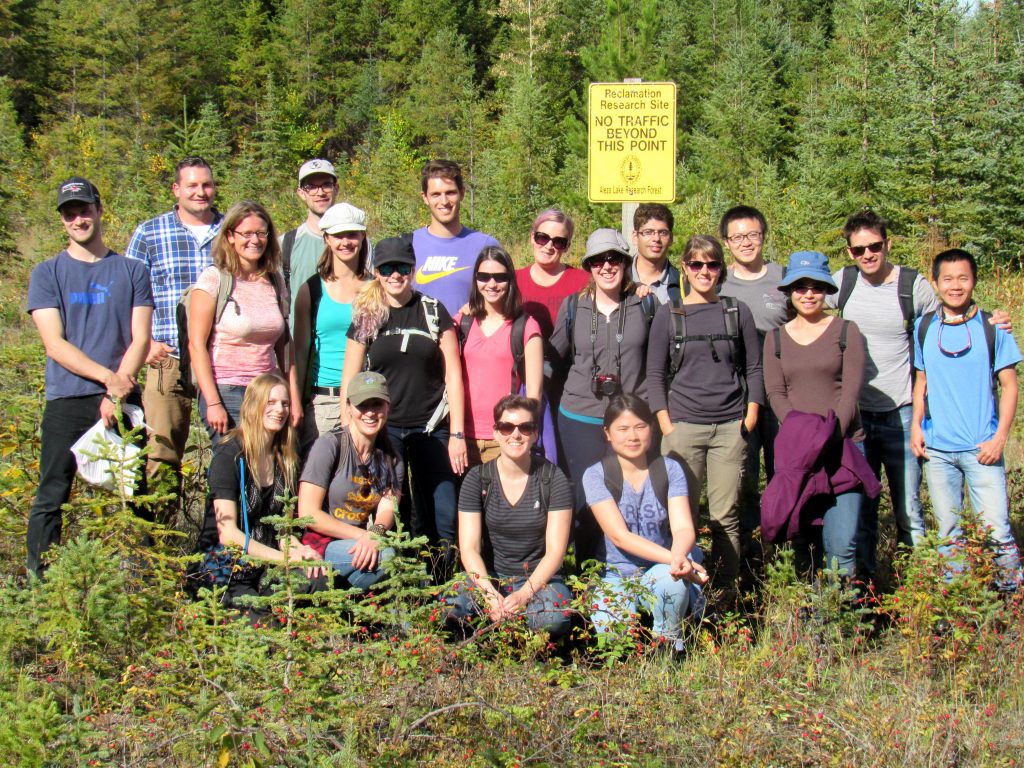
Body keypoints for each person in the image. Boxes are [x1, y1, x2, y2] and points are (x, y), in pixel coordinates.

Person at [25, 177, 154, 578]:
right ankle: (40, 587)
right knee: (52, 495)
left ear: (100, 210)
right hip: (68, 398)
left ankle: (144, 583)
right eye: (69, 213)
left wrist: (120, 389)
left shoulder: (132, 270)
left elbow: (141, 337)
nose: (78, 218)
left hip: (123, 398)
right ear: (62, 221)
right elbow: (54, 344)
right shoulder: (47, 274)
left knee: (134, 494)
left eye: (84, 209)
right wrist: (107, 379)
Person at [340, 236, 466, 581]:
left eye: (402, 267)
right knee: (395, 508)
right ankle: (402, 586)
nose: (395, 275)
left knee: (443, 509)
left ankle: (441, 584)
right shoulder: (368, 316)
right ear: (376, 272)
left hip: (432, 425)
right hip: (383, 429)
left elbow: (454, 375)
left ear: (414, 269)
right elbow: (349, 378)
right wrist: (348, 432)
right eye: (387, 268)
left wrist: (457, 433)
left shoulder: (432, 310)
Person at [647, 234, 763, 600]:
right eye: (696, 264)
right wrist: (666, 424)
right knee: (681, 517)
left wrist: (750, 417)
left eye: (712, 264)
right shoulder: (670, 313)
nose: (704, 272)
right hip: (683, 428)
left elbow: (754, 368)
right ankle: (685, 591)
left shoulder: (736, 311)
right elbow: (655, 374)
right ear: (685, 268)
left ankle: (724, 594)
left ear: (721, 268)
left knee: (725, 515)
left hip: (730, 427)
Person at [911, 249, 1022, 592]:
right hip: (938, 450)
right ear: (935, 283)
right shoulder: (924, 326)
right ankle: (953, 602)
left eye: (963, 278)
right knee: (947, 533)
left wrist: (999, 439)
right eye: (948, 279)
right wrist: (916, 426)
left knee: (997, 530)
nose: (955, 286)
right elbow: (921, 381)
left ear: (974, 282)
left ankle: (1012, 606)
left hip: (981, 448)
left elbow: (1009, 385)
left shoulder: (993, 328)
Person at [550, 228, 656, 561]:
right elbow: (552, 356)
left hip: (632, 418)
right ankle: (589, 578)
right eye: (598, 260)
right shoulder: (573, 306)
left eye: (613, 259)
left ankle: (633, 574)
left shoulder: (646, 303)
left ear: (625, 263)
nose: (606, 266)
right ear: (589, 266)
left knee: (633, 496)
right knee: (585, 498)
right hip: (580, 415)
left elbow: (662, 361)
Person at [763, 251, 868, 578]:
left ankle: (840, 622)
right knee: (803, 542)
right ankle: (808, 625)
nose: (808, 294)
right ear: (789, 291)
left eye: (816, 287)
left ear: (826, 290)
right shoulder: (775, 338)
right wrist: (804, 437)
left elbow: (850, 390)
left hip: (843, 449)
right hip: (798, 456)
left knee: (841, 544)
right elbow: (775, 393)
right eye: (800, 286)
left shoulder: (846, 331)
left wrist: (828, 435)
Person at [193, 373, 324, 617]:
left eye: (285, 403)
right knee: (263, 628)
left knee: (317, 578)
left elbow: (282, 530)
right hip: (229, 571)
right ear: (253, 404)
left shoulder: (284, 458)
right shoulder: (229, 455)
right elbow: (228, 534)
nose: (280, 410)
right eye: (271, 402)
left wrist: (300, 552)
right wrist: (284, 559)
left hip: (266, 567)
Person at [125, 156, 222, 486]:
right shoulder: (150, 233)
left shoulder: (231, 231)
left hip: (220, 360)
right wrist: (145, 344)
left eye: (206, 184)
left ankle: (223, 534)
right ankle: (162, 536)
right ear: (176, 189)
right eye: (192, 185)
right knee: (162, 453)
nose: (200, 192)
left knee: (228, 449)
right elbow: (128, 294)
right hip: (168, 360)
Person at [583, 394, 707, 651]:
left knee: (672, 579)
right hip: (615, 574)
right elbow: (620, 537)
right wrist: (677, 559)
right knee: (616, 641)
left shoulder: (669, 468)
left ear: (652, 428)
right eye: (623, 429)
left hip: (660, 568)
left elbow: (683, 528)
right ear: (607, 433)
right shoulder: (596, 475)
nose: (633, 436)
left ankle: (668, 644)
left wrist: (679, 558)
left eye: (640, 427)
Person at [454, 395, 573, 636]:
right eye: (507, 427)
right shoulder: (477, 479)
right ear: (496, 432)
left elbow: (556, 552)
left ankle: (528, 645)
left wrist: (523, 594)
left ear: (535, 434)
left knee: (552, 619)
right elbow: (469, 548)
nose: (515, 435)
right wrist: (489, 595)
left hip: (540, 581)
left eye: (525, 427)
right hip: (490, 577)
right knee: (453, 610)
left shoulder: (553, 478)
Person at [188, 201, 298, 439]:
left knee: (266, 465)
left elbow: (284, 344)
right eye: (246, 233)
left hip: (267, 390)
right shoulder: (214, 280)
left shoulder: (274, 281)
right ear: (230, 236)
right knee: (233, 461)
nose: (255, 240)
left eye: (261, 233)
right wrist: (214, 402)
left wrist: (293, 396)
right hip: (227, 389)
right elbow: (196, 345)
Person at [717, 205, 787, 561]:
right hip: (737, 395)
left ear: (763, 236)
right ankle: (747, 552)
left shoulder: (784, 278)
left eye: (753, 235)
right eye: (738, 237)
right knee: (742, 476)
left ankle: (784, 547)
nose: (746, 242)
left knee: (783, 472)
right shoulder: (716, 282)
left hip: (782, 395)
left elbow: (821, 305)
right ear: (727, 242)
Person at [297, 372, 400, 591]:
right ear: (349, 407)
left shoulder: (391, 457)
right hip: (322, 544)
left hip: (359, 545)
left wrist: (376, 533)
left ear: (387, 407)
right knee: (387, 557)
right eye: (362, 405)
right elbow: (308, 514)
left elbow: (387, 509)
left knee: (398, 568)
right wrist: (365, 536)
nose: (370, 413)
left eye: (377, 404)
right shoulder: (329, 445)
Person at [293, 202, 370, 448]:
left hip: (368, 400)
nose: (345, 242)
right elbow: (300, 352)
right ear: (326, 238)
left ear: (363, 236)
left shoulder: (375, 287)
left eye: (352, 234)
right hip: (323, 401)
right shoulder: (311, 290)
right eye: (338, 235)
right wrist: (296, 401)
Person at [515, 209, 589, 463]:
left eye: (559, 241)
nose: (549, 246)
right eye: (542, 237)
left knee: (566, 458)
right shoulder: (512, 282)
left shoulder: (583, 281)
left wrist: (639, 289)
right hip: (523, 384)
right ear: (531, 237)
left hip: (570, 385)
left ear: (567, 246)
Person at [457, 246, 543, 466]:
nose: (492, 284)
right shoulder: (462, 322)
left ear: (511, 280)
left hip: (504, 438)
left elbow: (534, 393)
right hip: (462, 440)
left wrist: (523, 435)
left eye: (500, 277)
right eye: (484, 277)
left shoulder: (525, 326)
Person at [411, 159, 499, 316]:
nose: (444, 201)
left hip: (469, 338)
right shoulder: (409, 244)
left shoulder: (486, 246)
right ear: (425, 198)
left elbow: (506, 297)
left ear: (462, 193)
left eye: (450, 192)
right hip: (419, 339)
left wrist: (480, 306)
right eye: (436, 194)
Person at [280, 159, 339, 329]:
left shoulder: (356, 243)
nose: (320, 192)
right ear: (301, 192)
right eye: (311, 187)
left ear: (336, 189)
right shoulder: (285, 244)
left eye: (326, 185)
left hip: (342, 348)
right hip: (297, 347)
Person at [630, 203, 681, 304]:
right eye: (648, 232)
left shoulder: (683, 285)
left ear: (670, 238)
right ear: (635, 237)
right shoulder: (617, 279)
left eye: (663, 233)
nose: (656, 239)